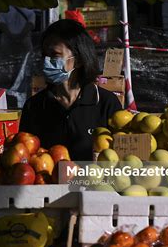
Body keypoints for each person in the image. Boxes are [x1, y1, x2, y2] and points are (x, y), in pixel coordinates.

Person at [19, 19, 122, 161]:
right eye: (44, 55)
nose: (46, 61)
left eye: (54, 55)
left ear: (78, 60)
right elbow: (24, 157)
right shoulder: (34, 107)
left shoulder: (106, 103)